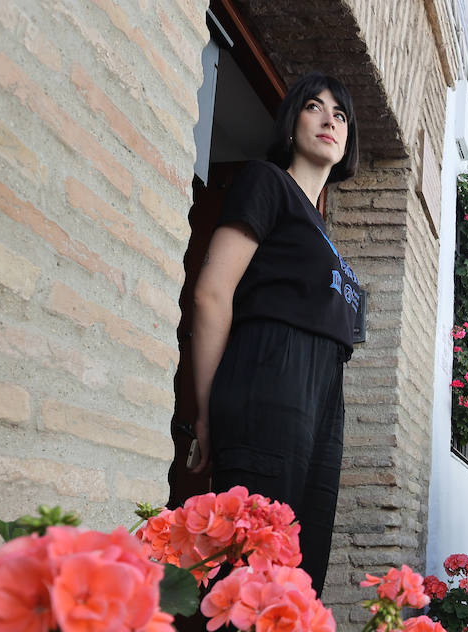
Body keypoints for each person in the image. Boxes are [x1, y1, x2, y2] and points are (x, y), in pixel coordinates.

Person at [190, 73, 361, 596]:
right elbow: (212, 294)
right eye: (315, 107)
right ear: (291, 123)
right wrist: (204, 414)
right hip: (270, 379)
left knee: (302, 566)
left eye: (341, 114)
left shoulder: (322, 232)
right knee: (255, 564)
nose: (330, 119)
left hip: (322, 398)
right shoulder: (266, 183)